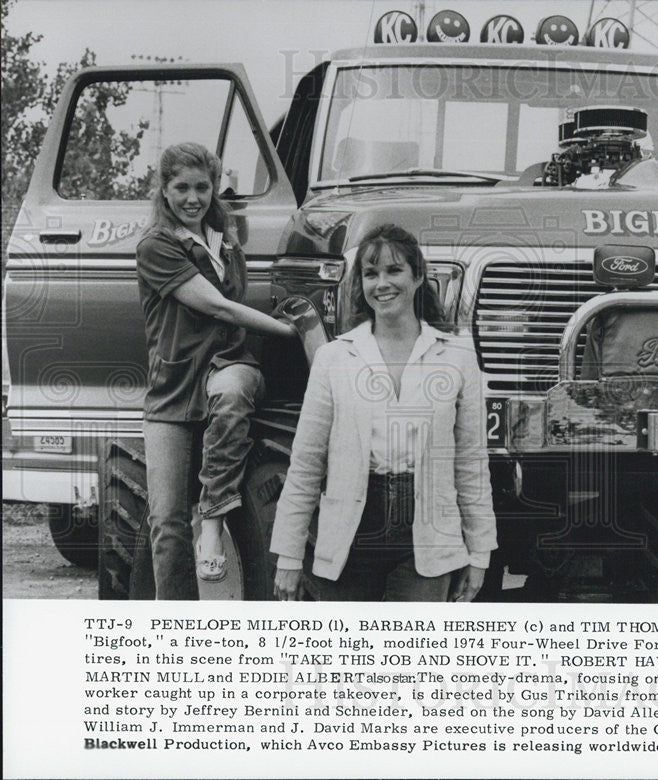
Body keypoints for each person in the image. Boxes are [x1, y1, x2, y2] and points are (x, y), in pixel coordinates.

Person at [270, 224, 497, 602]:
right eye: (371, 273)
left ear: (419, 276)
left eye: (394, 271)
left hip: (427, 545)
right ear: (360, 283)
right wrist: (289, 556)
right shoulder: (334, 358)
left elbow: (471, 464)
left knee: (412, 658)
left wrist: (480, 553)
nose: (382, 284)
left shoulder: (457, 358)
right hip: (348, 540)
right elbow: (306, 465)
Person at [136, 142, 296, 599]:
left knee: (230, 393)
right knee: (165, 522)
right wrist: (287, 332)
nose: (192, 198)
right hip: (174, 385)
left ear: (214, 188)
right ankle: (176, 629)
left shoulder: (226, 242)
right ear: (164, 191)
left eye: (202, 187)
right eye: (181, 187)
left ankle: (214, 520)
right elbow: (218, 307)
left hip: (229, 366)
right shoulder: (156, 245)